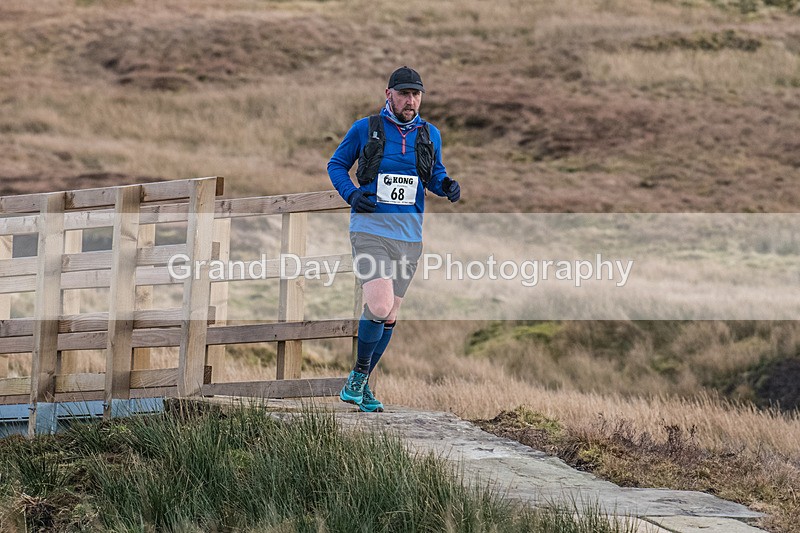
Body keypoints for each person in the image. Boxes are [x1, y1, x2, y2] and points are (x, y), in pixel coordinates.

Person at [327, 66, 461, 412]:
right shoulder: (366, 128)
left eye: (416, 94)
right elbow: (336, 165)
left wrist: (445, 186)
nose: (410, 101)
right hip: (370, 231)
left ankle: (362, 385)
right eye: (404, 94)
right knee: (380, 305)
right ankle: (357, 378)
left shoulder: (430, 134)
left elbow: (433, 173)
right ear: (389, 95)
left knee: (389, 316)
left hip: (409, 237)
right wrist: (352, 195)